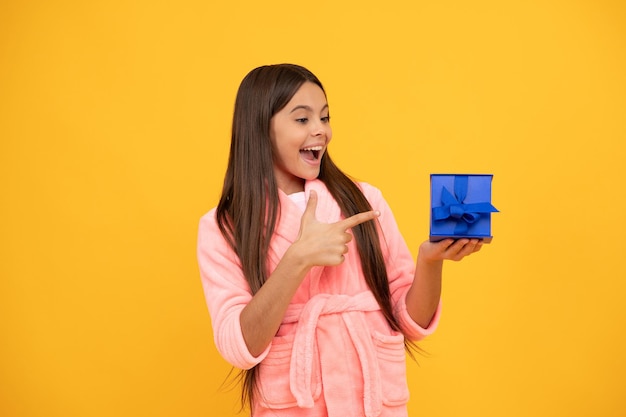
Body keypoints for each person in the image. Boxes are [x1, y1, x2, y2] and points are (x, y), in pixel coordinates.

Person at [197, 63, 483, 417]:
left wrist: (430, 260)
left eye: (325, 117)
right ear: (260, 129)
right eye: (302, 120)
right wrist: (297, 258)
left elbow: (411, 322)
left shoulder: (365, 201)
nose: (321, 131)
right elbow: (239, 346)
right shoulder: (224, 226)